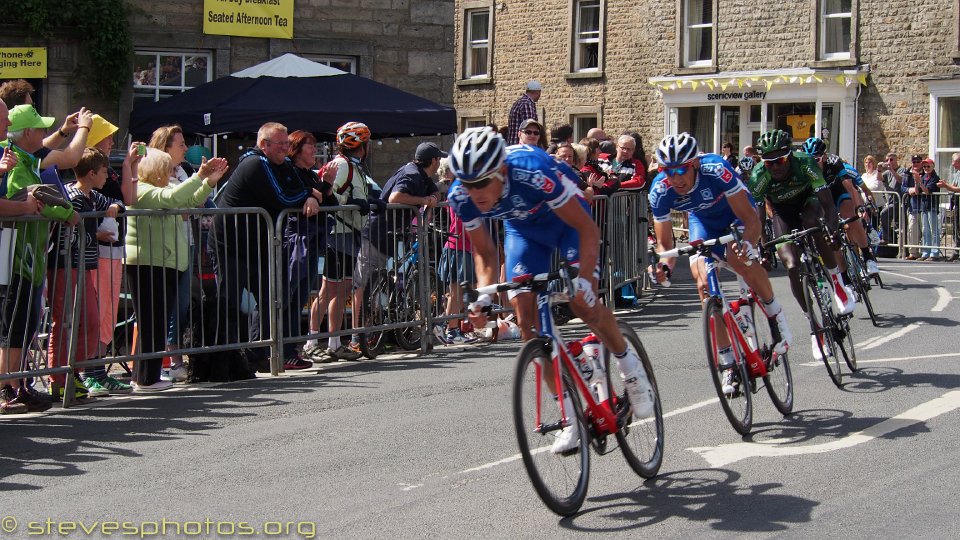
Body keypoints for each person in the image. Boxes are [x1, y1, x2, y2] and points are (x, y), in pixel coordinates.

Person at [447, 126, 655, 454]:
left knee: (583, 304)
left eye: (482, 182)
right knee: (529, 325)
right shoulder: (460, 195)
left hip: (569, 225)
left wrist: (584, 280)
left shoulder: (532, 173)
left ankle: (631, 368)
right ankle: (571, 417)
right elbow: (485, 252)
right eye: (468, 184)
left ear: (501, 170)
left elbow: (585, 229)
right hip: (524, 232)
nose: (474, 192)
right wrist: (483, 295)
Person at [649, 133, 791, 394]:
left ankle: (774, 310)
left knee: (739, 258)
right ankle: (728, 363)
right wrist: (665, 266)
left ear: (694, 164)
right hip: (702, 221)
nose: (675, 177)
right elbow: (665, 244)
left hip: (735, 214)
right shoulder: (660, 190)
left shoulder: (716, 169)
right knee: (702, 283)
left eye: (681, 169)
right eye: (668, 171)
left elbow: (752, 221)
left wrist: (748, 243)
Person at [212, 122, 324, 371]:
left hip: (258, 242)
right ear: (264, 145)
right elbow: (281, 198)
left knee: (273, 296)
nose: (286, 149)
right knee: (229, 300)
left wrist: (308, 193)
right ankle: (222, 359)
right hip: (231, 242)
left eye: (286, 143)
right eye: (280, 144)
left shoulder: (282, 165)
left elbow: (300, 188)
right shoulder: (255, 163)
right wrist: (308, 194)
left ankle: (259, 353)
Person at [0, 105, 83, 413]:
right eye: (39, 128)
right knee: (13, 326)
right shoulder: (15, 165)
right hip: (16, 257)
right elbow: (30, 198)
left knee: (24, 323)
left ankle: (17, 384)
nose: (43, 132)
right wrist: (66, 212)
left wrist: (66, 130)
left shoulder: (25, 160)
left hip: (29, 257)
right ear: (28, 134)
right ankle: (8, 389)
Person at [747, 129, 855, 360]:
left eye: (781, 160)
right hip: (782, 212)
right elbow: (758, 219)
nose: (775, 167)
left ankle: (836, 282)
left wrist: (833, 231)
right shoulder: (758, 177)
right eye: (769, 163)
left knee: (813, 225)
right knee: (792, 265)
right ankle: (815, 329)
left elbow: (828, 203)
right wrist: (763, 248)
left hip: (809, 202)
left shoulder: (805, 163)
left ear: (790, 156)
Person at [127, 150, 229, 390]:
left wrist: (208, 183)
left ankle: (145, 376)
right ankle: (146, 377)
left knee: (158, 321)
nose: (172, 173)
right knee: (151, 321)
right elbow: (172, 199)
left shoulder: (157, 189)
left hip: (164, 261)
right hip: (148, 262)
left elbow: (189, 201)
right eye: (168, 169)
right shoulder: (142, 190)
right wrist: (199, 177)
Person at [47, 148, 127, 398]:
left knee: (91, 322)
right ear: (91, 173)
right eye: (104, 172)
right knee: (65, 323)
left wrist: (114, 205)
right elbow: (64, 236)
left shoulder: (93, 195)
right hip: (65, 265)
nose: (107, 177)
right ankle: (58, 378)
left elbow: (121, 203)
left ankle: (76, 371)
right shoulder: (72, 196)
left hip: (86, 266)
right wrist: (95, 236)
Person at [351, 142, 440, 353]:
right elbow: (395, 197)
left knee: (380, 280)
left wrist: (433, 199)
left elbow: (435, 192)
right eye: (438, 160)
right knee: (362, 285)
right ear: (434, 161)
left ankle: (382, 331)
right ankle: (356, 337)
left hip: (390, 235)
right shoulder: (412, 175)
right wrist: (423, 200)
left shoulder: (421, 174)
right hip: (377, 234)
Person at [800, 137, 879, 276]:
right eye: (809, 159)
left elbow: (850, 187)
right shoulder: (803, 168)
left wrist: (858, 207)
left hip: (838, 193)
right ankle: (844, 277)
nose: (812, 163)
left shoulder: (834, 162)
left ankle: (868, 257)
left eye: (816, 160)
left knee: (851, 218)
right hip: (821, 199)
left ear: (824, 157)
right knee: (830, 238)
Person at [901, 155, 926, 260]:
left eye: (917, 161)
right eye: (914, 162)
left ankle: (925, 252)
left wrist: (918, 189)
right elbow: (902, 187)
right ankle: (913, 252)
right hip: (912, 205)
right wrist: (909, 190)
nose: (915, 164)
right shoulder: (907, 173)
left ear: (921, 162)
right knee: (912, 228)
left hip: (925, 205)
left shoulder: (926, 171)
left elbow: (928, 186)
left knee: (925, 229)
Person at [936, 152, 960, 260]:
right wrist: (947, 185)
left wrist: (946, 186)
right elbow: (954, 186)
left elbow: (959, 189)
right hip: (957, 204)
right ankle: (957, 250)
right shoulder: (957, 173)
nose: (952, 164)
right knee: (956, 228)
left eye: (954, 161)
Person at [918, 158, 942, 260]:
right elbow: (917, 191)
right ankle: (926, 251)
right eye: (924, 167)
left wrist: (920, 183)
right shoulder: (923, 177)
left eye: (928, 166)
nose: (926, 168)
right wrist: (917, 182)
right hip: (924, 206)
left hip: (931, 207)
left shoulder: (935, 178)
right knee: (925, 230)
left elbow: (927, 191)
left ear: (932, 166)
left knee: (934, 230)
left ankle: (934, 252)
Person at [506, 80, 541, 146]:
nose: (539, 96)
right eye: (539, 93)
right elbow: (530, 129)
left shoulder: (518, 102)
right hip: (521, 147)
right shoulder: (527, 104)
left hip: (512, 145)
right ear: (537, 92)